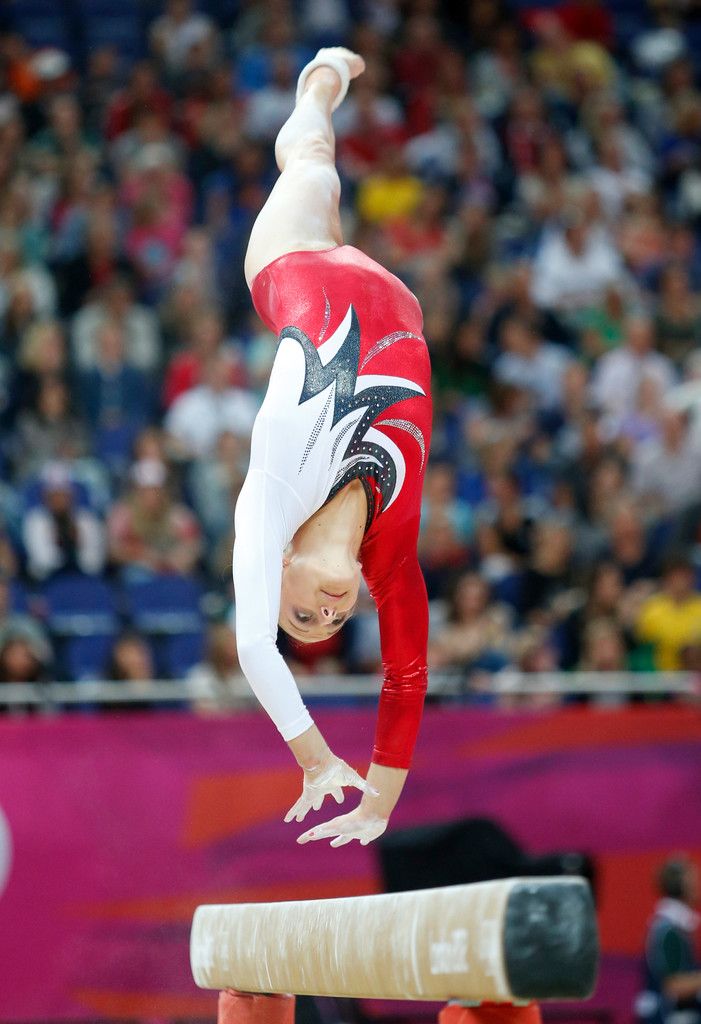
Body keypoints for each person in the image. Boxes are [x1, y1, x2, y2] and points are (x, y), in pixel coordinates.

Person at [233, 48, 432, 847]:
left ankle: (317, 79)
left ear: (278, 567)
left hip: (296, 264)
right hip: (391, 296)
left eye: (303, 614)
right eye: (328, 625)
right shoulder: (391, 555)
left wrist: (315, 758)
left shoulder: (274, 489)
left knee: (313, 162)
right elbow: (407, 676)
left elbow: (252, 645)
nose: (326, 615)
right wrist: (377, 805)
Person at [637, 856, 701, 1024]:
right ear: (682, 886)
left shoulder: (677, 926)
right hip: (667, 1016)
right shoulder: (668, 930)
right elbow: (673, 985)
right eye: (694, 880)